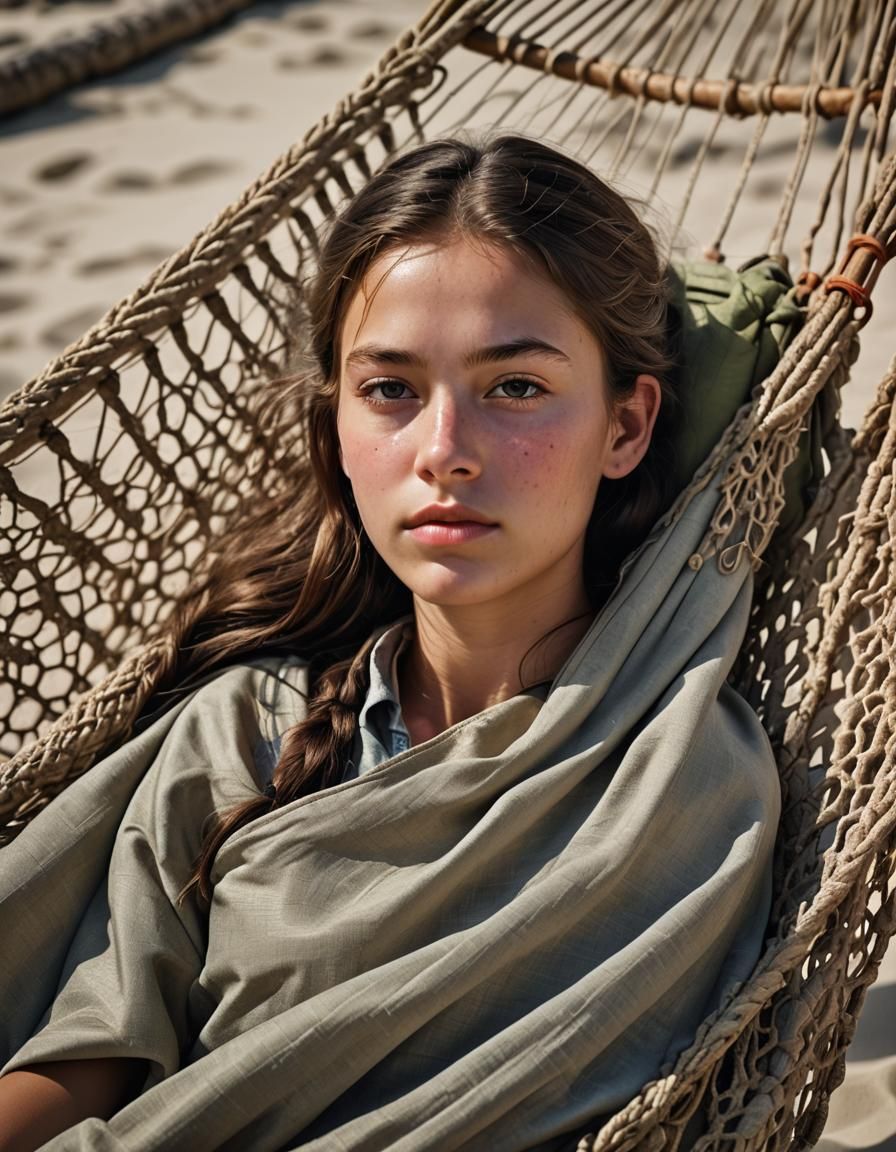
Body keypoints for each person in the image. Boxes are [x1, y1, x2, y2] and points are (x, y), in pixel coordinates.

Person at [0, 134, 780, 1152]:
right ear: (336, 426)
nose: (444, 452)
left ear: (626, 428)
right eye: (390, 390)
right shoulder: (244, 728)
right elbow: (89, 1052)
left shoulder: (680, 782)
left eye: (515, 387)